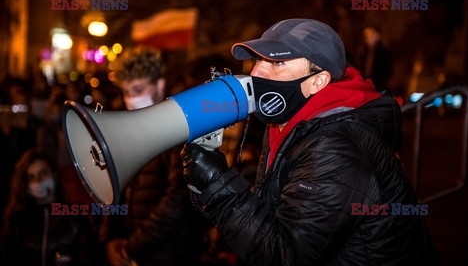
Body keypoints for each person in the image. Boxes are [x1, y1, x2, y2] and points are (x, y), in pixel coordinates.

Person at [181, 19, 440, 265]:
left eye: (277, 63)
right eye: (258, 59)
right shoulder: (291, 123)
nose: (256, 72)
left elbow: (287, 257)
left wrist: (218, 186)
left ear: (318, 81)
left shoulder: (335, 148)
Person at [99, 47, 206, 266]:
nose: (131, 99)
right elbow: (115, 186)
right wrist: (110, 239)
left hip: (168, 254)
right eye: (126, 92)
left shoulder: (181, 129)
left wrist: (131, 247)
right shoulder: (128, 129)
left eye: (138, 89)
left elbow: (177, 202)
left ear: (159, 85)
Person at [1, 148, 97, 265]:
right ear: (25, 185)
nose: (38, 181)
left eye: (43, 173)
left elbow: (89, 256)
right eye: (31, 177)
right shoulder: (16, 220)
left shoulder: (75, 213)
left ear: (54, 175)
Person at [361, 26, 393, 91]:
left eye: (371, 35)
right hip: (364, 84)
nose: (369, 38)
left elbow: (387, 71)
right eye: (367, 36)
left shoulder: (384, 53)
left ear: (378, 36)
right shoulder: (364, 52)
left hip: (377, 86)